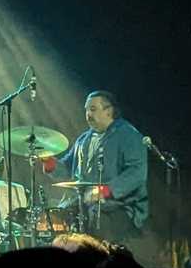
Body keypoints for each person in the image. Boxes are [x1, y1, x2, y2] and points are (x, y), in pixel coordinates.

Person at [42, 90, 148, 245]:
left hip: (121, 206)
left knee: (95, 217)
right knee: (55, 216)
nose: (88, 114)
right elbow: (66, 168)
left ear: (109, 111)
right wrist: (48, 162)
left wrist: (105, 190)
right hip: (85, 203)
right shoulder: (84, 139)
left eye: (92, 109)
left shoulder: (128, 135)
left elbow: (136, 173)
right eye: (86, 110)